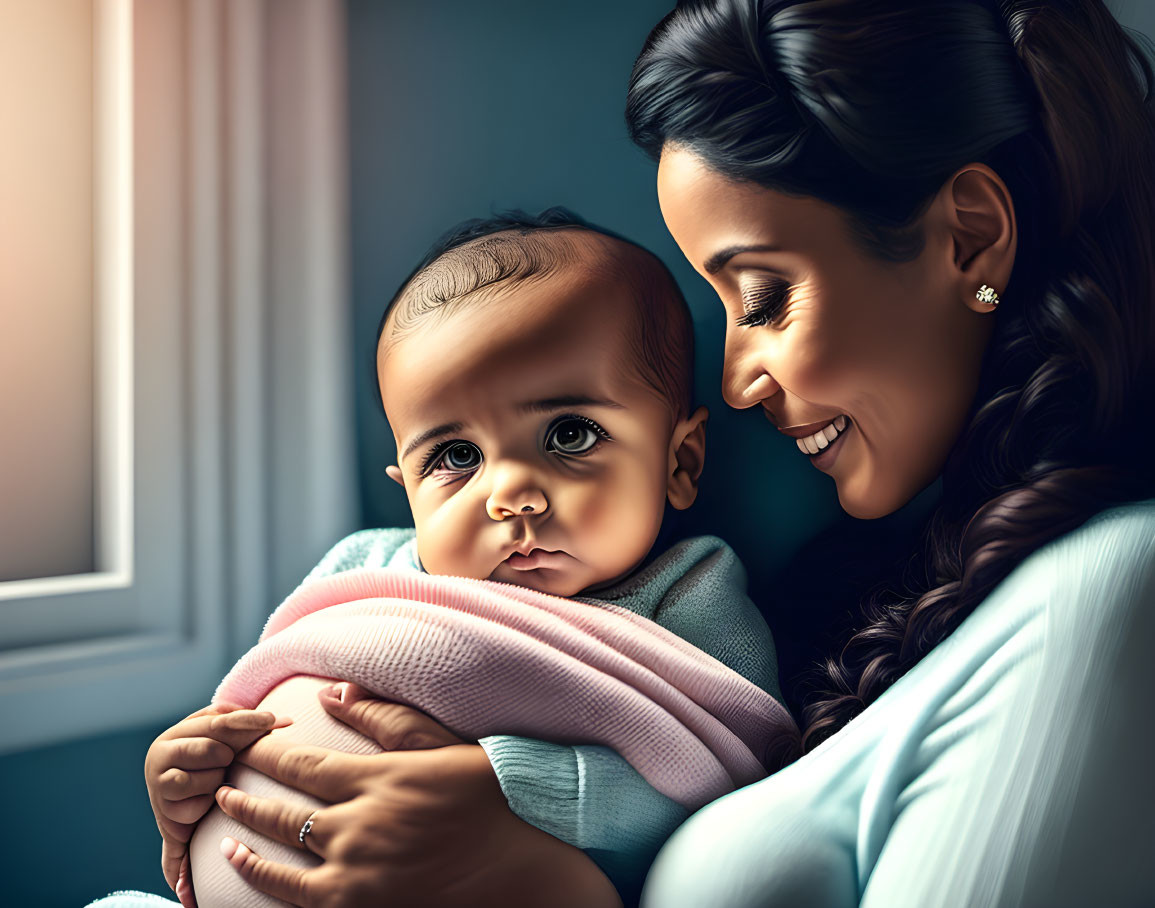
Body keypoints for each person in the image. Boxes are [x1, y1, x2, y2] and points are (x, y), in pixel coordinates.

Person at [91, 1, 1155, 906]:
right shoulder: (885, 593)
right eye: (451, 454)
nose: (737, 380)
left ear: (969, 234)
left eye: (765, 296)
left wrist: (532, 872)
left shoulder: (1110, 589)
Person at [133, 210, 793, 908]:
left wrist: (517, 784)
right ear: (409, 490)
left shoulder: (686, 594)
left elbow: (732, 785)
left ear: (679, 461)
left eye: (568, 433)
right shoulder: (364, 567)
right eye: (456, 457)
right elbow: (263, 689)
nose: (510, 494)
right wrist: (188, 767)